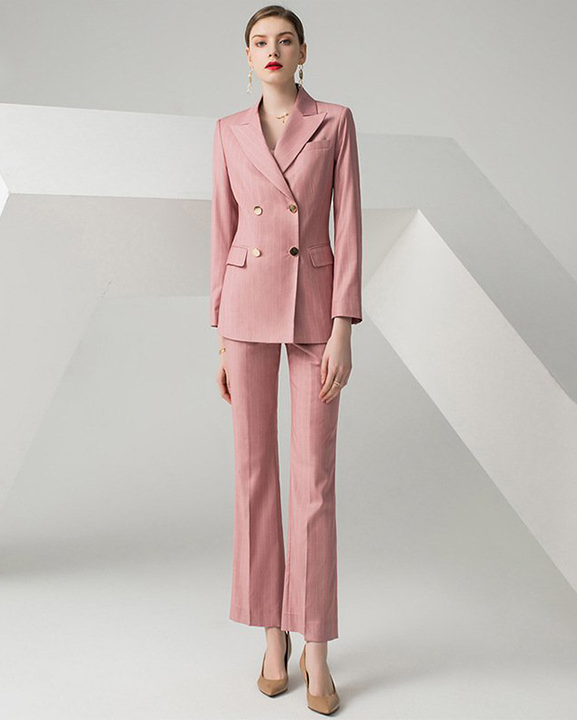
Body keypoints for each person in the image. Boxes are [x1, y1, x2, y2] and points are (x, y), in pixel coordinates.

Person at [210, 5, 362, 714]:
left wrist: (343, 326)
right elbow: (221, 230)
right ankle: (271, 635)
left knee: (314, 482)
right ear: (247, 58)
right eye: (259, 42)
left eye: (284, 40)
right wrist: (220, 333)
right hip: (245, 309)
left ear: (303, 51)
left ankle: (316, 646)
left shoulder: (334, 122)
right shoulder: (227, 131)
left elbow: (348, 224)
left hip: (312, 309)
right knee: (253, 475)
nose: (272, 50)